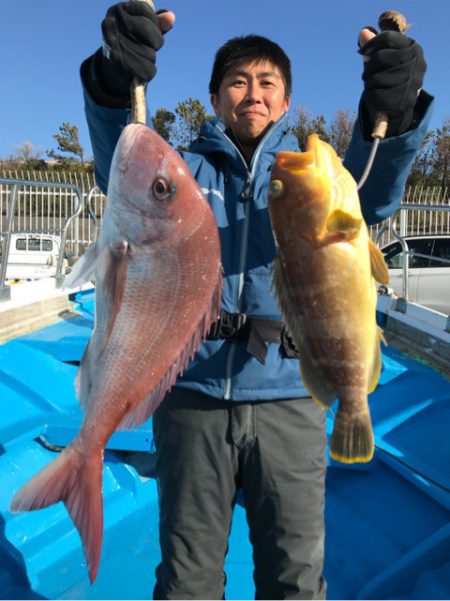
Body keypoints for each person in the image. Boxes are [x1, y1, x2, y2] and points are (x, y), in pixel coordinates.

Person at [80, 3, 432, 598]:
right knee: (186, 577)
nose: (253, 94)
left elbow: (373, 190)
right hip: (189, 396)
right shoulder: (181, 173)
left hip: (292, 396)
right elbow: (128, 168)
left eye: (268, 82)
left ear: (287, 100)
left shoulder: (313, 174)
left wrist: (390, 116)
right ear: (216, 98)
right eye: (237, 82)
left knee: (294, 576)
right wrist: (116, 84)